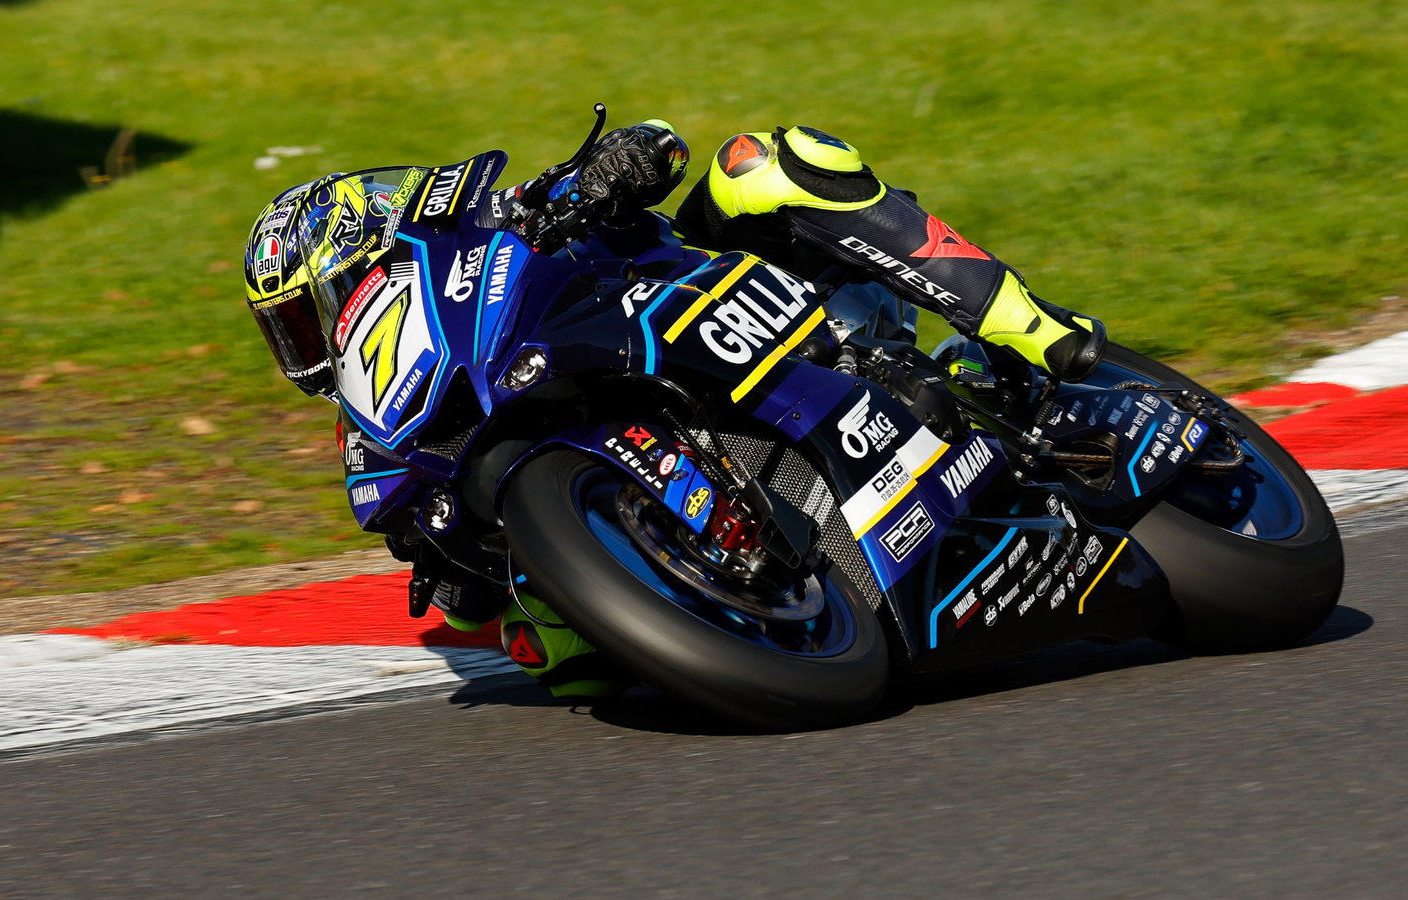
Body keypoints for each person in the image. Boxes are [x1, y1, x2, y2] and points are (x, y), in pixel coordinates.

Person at [241, 117, 1107, 695]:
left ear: (360, 247)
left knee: (762, 163)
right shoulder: (377, 437)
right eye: (288, 331)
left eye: (304, 314)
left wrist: (612, 170)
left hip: (736, 301)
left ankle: (1031, 328)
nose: (307, 343)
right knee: (546, 653)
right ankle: (748, 595)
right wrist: (455, 558)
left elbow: (662, 145)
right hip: (604, 453)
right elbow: (463, 602)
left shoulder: (487, 223)